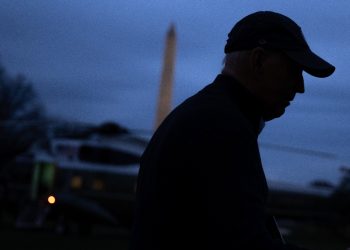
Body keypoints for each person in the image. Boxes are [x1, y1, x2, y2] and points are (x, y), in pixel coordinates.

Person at [130, 11, 335, 250]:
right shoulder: (220, 127)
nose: (300, 87)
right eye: (294, 71)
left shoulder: (202, 115)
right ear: (258, 61)